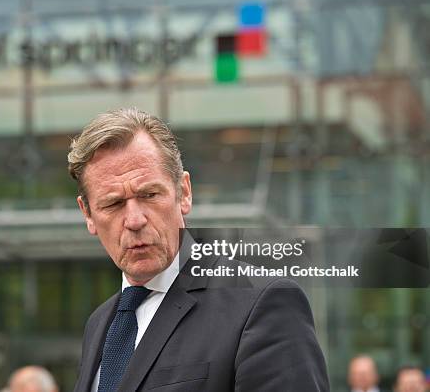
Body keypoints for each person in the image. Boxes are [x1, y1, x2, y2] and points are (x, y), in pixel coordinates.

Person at [68, 107, 329, 391]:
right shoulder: (99, 325)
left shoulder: (263, 305)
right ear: (88, 215)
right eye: (113, 204)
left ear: (185, 192)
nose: (134, 220)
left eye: (149, 195)